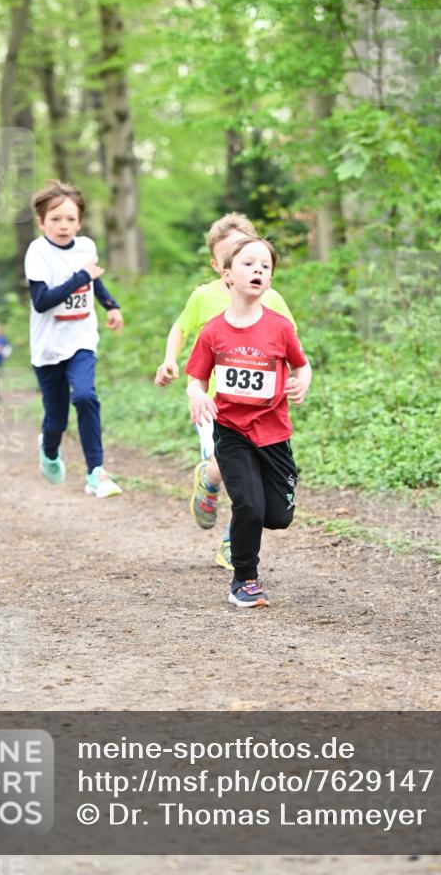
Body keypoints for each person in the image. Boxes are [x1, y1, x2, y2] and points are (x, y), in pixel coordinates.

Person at [154, 213, 296, 571]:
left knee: (256, 478)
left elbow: (290, 340)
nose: (246, 264)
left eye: (249, 254)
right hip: (214, 406)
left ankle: (232, 534)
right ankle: (212, 482)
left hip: (262, 411)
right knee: (232, 468)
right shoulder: (203, 296)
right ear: (219, 265)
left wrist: (296, 376)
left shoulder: (271, 297)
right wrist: (170, 360)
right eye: (232, 255)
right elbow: (180, 327)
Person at [185, 237, 311, 608]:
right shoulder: (212, 331)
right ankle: (244, 579)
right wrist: (197, 394)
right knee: (249, 506)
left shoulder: (280, 328)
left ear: (269, 280)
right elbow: (196, 378)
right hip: (232, 430)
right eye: (248, 264)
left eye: (265, 267)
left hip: (274, 433)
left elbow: (301, 364)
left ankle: (249, 556)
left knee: (277, 516)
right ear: (227, 275)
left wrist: (302, 380)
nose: (258, 270)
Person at [24, 179, 124, 498]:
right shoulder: (37, 252)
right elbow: (42, 300)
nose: (63, 225)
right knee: (56, 420)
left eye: (70, 219)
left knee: (84, 395)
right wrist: (80, 277)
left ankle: (96, 471)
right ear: (41, 222)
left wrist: (111, 305)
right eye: (55, 219)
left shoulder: (86, 247)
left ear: (79, 221)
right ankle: (49, 450)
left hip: (81, 339)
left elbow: (93, 282)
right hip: (48, 348)